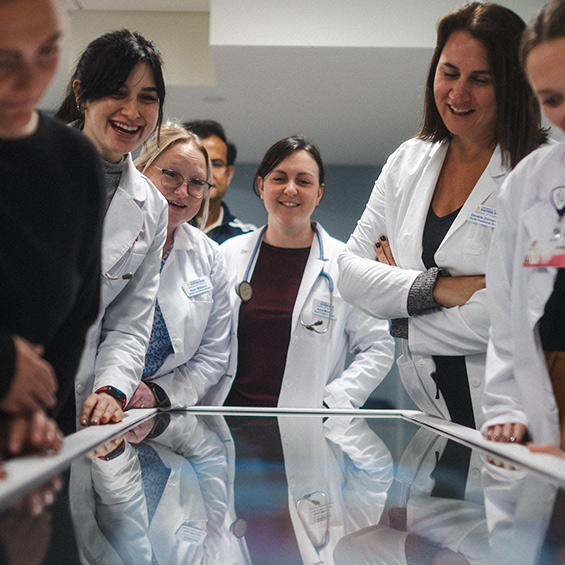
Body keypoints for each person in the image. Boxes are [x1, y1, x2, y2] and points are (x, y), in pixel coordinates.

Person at [338, 2, 546, 429]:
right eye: (449, 73)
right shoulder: (408, 161)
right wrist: (442, 290)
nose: (458, 94)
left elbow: (521, 313)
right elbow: (350, 272)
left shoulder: (542, 174)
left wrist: (401, 316)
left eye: (480, 80)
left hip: (517, 418)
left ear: (512, 85)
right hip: (433, 412)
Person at [211, 135, 394, 408]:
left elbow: (378, 347)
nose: (290, 189)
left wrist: (333, 402)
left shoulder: (345, 263)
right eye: (279, 178)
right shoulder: (227, 255)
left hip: (307, 425)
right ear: (261, 186)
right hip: (229, 422)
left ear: (318, 193)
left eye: (304, 181)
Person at [0, 0, 106, 448]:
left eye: (47, 51)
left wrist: (34, 414)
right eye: (4, 60)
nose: (31, 81)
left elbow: (78, 313)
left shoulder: (75, 160)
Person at [55, 29, 168, 431]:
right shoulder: (24, 166)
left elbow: (130, 318)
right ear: (82, 93)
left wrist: (111, 389)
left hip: (81, 399)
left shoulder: (152, 206)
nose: (132, 112)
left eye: (147, 98)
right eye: (117, 92)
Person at [482, 0, 565, 448]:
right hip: (549, 385)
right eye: (551, 99)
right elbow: (507, 311)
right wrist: (508, 406)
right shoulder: (529, 183)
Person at [123, 123, 231, 410]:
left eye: (197, 183)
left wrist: (156, 393)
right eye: (171, 175)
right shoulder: (106, 235)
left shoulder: (209, 256)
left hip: (157, 412)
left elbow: (213, 354)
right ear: (142, 169)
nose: (183, 191)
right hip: (89, 397)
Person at [183, 119, 255, 243]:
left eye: (216, 164)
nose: (208, 173)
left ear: (229, 174)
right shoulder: (163, 229)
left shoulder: (249, 238)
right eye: (200, 164)